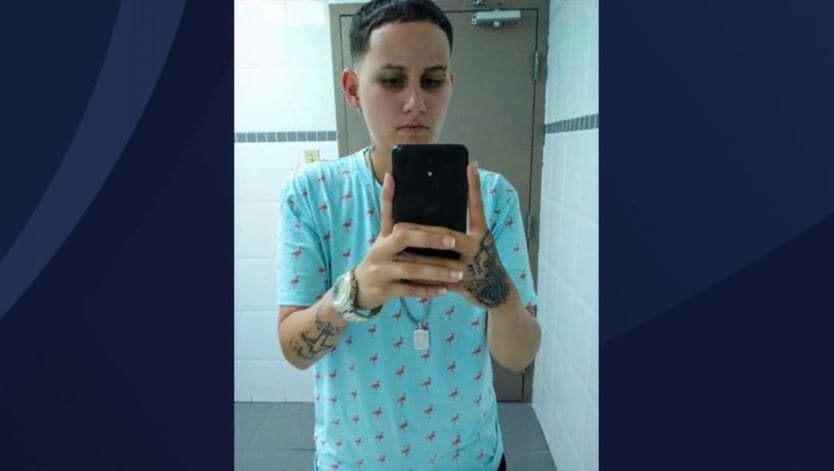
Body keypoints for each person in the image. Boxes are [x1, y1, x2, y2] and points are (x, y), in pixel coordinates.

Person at [277, 1, 541, 469]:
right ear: (353, 89)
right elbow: (295, 350)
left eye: (432, 81)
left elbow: (518, 356)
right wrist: (354, 293)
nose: (416, 102)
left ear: (450, 84)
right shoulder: (313, 194)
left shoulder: (492, 199)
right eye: (392, 80)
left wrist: (498, 295)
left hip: (472, 460)